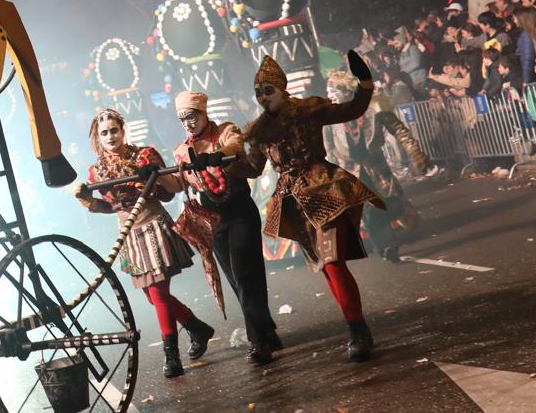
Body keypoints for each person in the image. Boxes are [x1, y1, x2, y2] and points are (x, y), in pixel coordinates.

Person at [244, 52, 386, 362]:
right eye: (258, 92)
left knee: (333, 261)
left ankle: (357, 330)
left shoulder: (308, 110)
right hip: (293, 203)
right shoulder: (258, 131)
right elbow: (252, 169)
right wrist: (214, 163)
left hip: (323, 190)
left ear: (283, 89)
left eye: (268, 90)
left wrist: (365, 83)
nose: (263, 97)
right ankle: (356, 327)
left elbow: (353, 109)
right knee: (324, 266)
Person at [73, 108, 213, 378]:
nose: (110, 136)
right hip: (129, 235)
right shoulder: (97, 170)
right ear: (97, 138)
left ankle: (171, 356)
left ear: (123, 131)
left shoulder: (144, 155)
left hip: (153, 227)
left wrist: (154, 175)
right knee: (152, 296)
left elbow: (168, 192)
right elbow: (108, 207)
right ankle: (196, 327)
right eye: (105, 133)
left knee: (158, 295)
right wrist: (86, 199)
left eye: (114, 130)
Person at [170, 91, 280, 365]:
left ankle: (258, 343)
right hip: (212, 219)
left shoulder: (225, 131)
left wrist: (215, 155)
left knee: (246, 274)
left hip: (240, 211)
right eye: (182, 119)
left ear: (203, 113)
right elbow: (175, 185)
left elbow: (236, 145)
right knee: (236, 280)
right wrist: (154, 177)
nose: (188, 123)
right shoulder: (181, 151)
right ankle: (266, 331)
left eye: (191, 116)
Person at [324, 70, 423, 263]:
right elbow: (328, 149)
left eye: (334, 90)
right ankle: (387, 246)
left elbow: (398, 129)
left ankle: (392, 237)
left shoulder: (374, 108)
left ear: (347, 91)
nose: (330, 95)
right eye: (328, 91)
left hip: (376, 167)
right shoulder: (329, 116)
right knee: (370, 210)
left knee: (389, 203)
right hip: (349, 171)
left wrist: (415, 151)